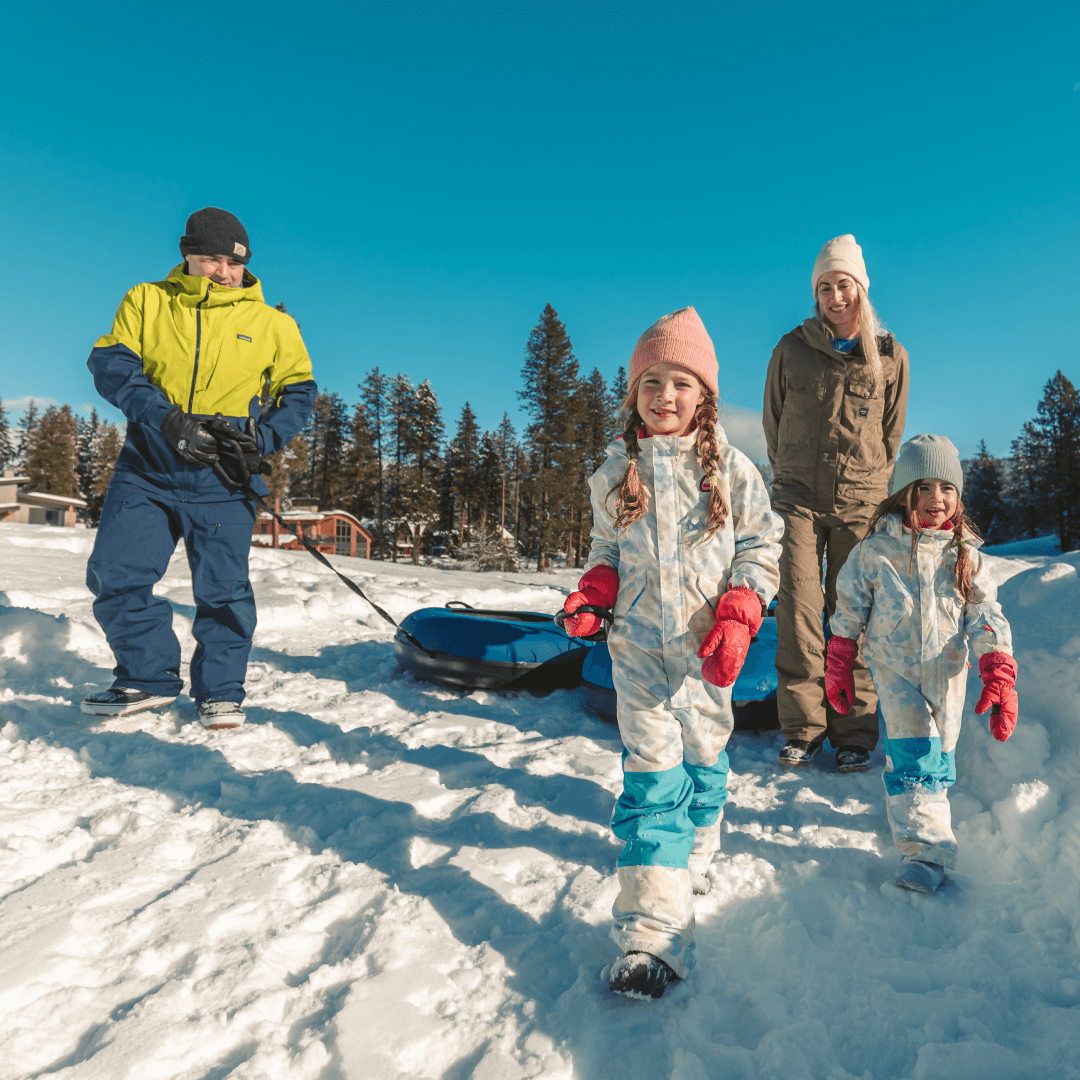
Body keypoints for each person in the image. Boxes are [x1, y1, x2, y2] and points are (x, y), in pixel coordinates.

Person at [562, 307, 783, 998]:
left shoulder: (733, 470)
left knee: (705, 755)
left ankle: (702, 840)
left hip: (706, 648)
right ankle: (652, 934)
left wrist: (744, 607)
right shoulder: (611, 474)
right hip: (635, 649)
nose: (665, 395)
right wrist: (596, 587)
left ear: (704, 396)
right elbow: (604, 549)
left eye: (680, 382)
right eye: (651, 381)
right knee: (652, 779)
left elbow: (760, 547)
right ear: (633, 392)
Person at [81, 208, 317, 728]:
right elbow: (113, 365)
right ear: (188, 255)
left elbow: (299, 393)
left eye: (234, 262)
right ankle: (146, 678)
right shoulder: (147, 300)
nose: (223, 271)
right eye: (211, 259)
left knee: (224, 591)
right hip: (148, 466)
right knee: (115, 574)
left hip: (224, 479)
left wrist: (261, 440)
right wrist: (167, 421)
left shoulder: (273, 324)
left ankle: (221, 692)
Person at [826, 435, 1017, 893]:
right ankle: (924, 854)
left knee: (940, 760)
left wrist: (998, 667)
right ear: (903, 493)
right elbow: (849, 606)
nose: (937, 498)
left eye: (947, 488)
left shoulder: (965, 555)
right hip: (895, 673)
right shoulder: (875, 553)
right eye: (924, 487)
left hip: (949, 674)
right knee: (916, 758)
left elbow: (986, 613)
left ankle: (921, 821)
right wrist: (840, 656)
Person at [763, 234, 910, 772]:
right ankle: (803, 729)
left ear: (861, 290)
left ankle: (854, 732)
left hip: (860, 502)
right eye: (825, 287)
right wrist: (789, 478)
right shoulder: (791, 348)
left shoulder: (890, 356)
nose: (834, 296)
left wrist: (869, 485)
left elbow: (891, 435)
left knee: (854, 617)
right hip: (797, 499)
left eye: (843, 284)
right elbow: (772, 422)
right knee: (799, 615)